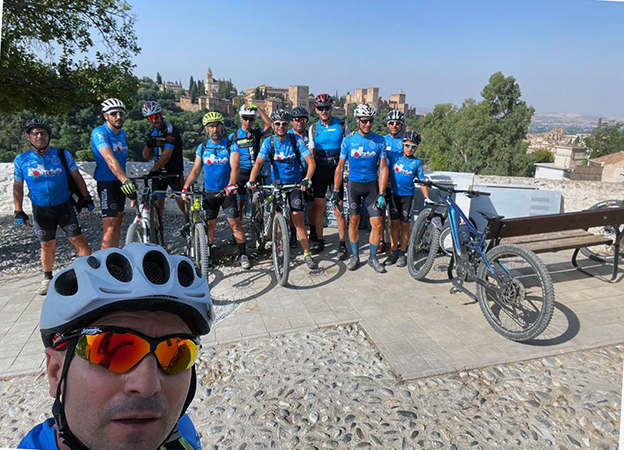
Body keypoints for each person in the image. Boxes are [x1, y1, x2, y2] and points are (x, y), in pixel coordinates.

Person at [18, 243, 213, 450]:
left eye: (176, 353)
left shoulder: (182, 431)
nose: (147, 387)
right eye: (111, 351)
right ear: (55, 373)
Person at [13, 120, 93, 295]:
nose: (39, 136)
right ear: (29, 137)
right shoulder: (22, 160)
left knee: (77, 239)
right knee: (47, 244)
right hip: (41, 209)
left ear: (49, 136)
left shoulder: (62, 154)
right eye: (35, 133)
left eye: (43, 133)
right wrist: (18, 209)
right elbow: (17, 186)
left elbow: (77, 177)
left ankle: (92, 273)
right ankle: (47, 277)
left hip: (64, 206)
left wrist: (86, 197)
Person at [247, 109, 318, 270]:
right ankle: (279, 250)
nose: (281, 126)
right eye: (277, 124)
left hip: (294, 185)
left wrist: (307, 179)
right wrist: (251, 180)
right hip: (277, 185)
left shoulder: (296, 141)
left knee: (298, 220)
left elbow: (311, 163)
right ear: (272, 125)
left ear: (288, 125)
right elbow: (258, 164)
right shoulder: (269, 142)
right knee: (278, 218)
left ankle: (307, 254)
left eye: (284, 123)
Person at [183, 112, 251, 269]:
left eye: (218, 125)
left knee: (235, 223)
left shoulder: (230, 145)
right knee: (210, 225)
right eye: (211, 126)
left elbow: (235, 167)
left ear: (222, 127)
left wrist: (232, 184)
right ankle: (208, 254)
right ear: (206, 129)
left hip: (227, 192)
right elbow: (195, 171)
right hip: (210, 193)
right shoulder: (203, 147)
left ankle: (243, 254)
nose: (215, 129)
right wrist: (186, 187)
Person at [333, 103, 389, 273]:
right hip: (354, 186)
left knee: (378, 224)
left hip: (372, 186)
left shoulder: (380, 140)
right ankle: (355, 256)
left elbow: (384, 168)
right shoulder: (348, 140)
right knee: (354, 221)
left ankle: (372, 258)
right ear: (357, 120)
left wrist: (382, 192)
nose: (368, 124)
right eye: (364, 121)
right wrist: (336, 191)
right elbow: (340, 167)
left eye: (370, 121)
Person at [307, 94, 349, 260]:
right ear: (316, 110)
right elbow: (311, 154)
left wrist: (347, 169)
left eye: (327, 108)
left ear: (331, 108)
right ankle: (319, 240)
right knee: (319, 208)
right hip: (319, 172)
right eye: (320, 108)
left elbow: (348, 149)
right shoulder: (313, 128)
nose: (324, 111)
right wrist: (309, 176)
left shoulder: (342, 125)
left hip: (336, 171)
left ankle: (342, 244)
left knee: (338, 208)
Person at [91, 98, 137, 249]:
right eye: (114, 114)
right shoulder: (99, 133)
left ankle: (114, 257)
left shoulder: (122, 134)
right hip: (107, 182)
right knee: (109, 227)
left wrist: (124, 180)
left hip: (120, 182)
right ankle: (105, 264)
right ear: (106, 116)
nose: (118, 117)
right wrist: (125, 180)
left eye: (121, 113)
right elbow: (109, 158)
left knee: (118, 225)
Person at [227, 103, 272, 244]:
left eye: (251, 119)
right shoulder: (233, 136)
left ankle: (259, 230)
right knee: (239, 204)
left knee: (258, 203)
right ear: (241, 118)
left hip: (255, 173)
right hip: (240, 174)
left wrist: (258, 108)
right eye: (246, 118)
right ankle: (237, 234)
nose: (248, 122)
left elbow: (269, 124)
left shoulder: (256, 133)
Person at [385, 131, 430, 267]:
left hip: (407, 198)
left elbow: (422, 181)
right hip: (394, 195)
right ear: (402, 145)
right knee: (394, 225)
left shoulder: (417, 163)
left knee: (405, 226)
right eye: (407, 145)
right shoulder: (394, 157)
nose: (409, 149)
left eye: (413, 147)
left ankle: (403, 253)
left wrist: (427, 197)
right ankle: (393, 251)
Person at [141, 101, 186, 218]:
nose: (153, 120)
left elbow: (166, 156)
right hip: (159, 173)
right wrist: (149, 145)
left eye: (155, 116)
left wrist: (153, 169)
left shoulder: (170, 130)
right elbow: (145, 156)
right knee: (157, 203)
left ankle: (189, 222)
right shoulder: (153, 133)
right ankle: (156, 228)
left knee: (181, 200)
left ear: (161, 114)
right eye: (150, 118)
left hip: (174, 171)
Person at [379, 109, 406, 255]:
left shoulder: (404, 142)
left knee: (396, 217)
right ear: (387, 124)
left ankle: (395, 244)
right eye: (392, 123)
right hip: (383, 183)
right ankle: (382, 242)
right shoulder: (382, 140)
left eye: (397, 123)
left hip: (398, 184)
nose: (394, 126)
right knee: (381, 215)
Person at [287, 106, 314, 248]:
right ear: (292, 121)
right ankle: (292, 235)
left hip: (308, 174)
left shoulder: (310, 137)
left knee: (311, 204)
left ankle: (314, 232)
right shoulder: (288, 136)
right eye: (296, 120)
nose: (300, 122)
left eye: (303, 120)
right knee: (294, 209)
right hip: (293, 176)